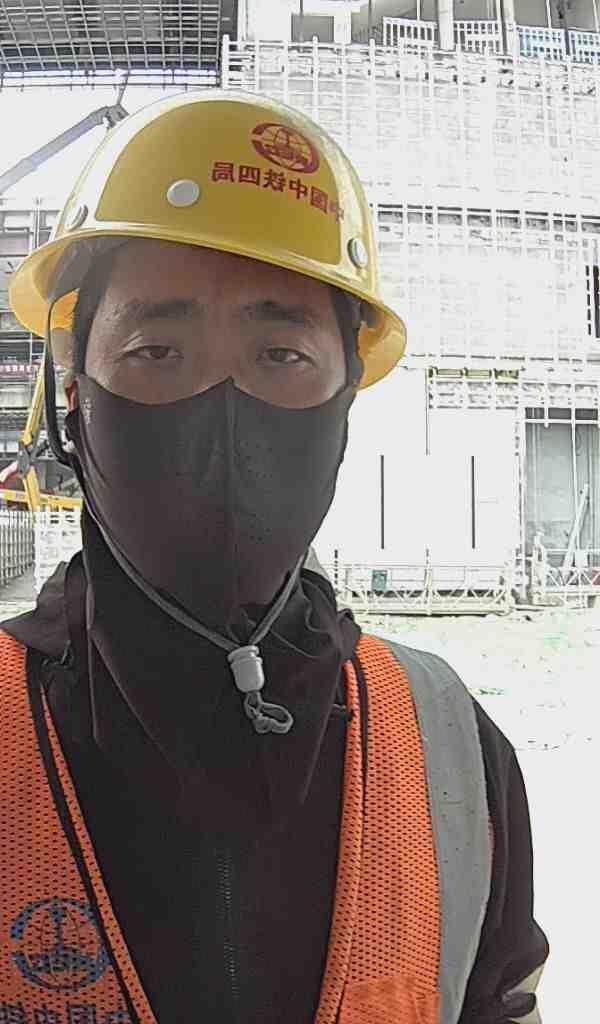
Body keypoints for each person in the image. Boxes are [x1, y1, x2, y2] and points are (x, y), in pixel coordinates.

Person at [1, 93, 548, 1024]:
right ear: (75, 392)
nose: (221, 407)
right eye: (157, 350)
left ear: (346, 398)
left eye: (280, 354)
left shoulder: (449, 747)